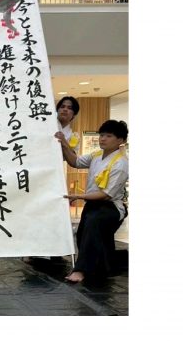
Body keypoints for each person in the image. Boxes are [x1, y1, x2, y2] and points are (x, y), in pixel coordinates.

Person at [55, 120, 128, 283]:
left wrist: (78, 196)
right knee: (84, 234)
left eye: (108, 136)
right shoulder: (96, 155)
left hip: (111, 207)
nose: (103, 139)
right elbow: (75, 162)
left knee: (92, 226)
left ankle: (81, 270)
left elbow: (106, 195)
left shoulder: (121, 163)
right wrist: (64, 143)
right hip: (93, 204)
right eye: (102, 135)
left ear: (120, 140)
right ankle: (105, 267)